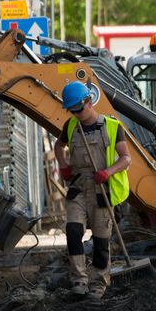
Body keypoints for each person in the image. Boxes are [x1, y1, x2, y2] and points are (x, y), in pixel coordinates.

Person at [53, 82, 131, 298]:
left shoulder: (112, 126)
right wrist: (64, 165)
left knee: (100, 241)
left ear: (89, 102)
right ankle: (79, 281)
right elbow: (59, 146)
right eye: (72, 110)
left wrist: (108, 172)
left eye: (78, 109)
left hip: (101, 188)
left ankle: (98, 284)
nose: (76, 114)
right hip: (79, 186)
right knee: (73, 231)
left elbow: (126, 159)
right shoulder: (70, 126)